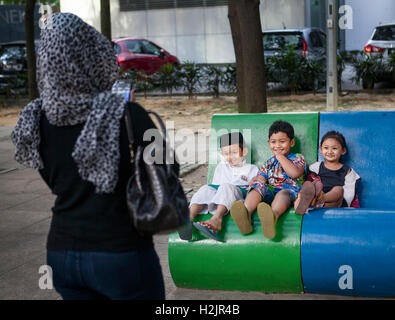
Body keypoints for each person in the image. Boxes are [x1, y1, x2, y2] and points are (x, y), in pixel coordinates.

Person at [11, 13, 164, 300]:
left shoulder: (34, 119)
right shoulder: (126, 114)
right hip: (121, 251)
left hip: (61, 254)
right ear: (92, 56)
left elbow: (56, 177)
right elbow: (165, 166)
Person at [230, 120, 306, 239]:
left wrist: (280, 156)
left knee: (283, 193)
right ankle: (246, 214)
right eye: (273, 142)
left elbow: (295, 173)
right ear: (269, 143)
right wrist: (256, 180)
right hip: (270, 191)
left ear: (291, 142)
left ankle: (272, 217)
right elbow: (261, 177)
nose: (277, 146)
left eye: (282, 142)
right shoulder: (269, 162)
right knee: (258, 187)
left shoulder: (298, 158)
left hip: (290, 191)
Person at [185, 132, 259, 242]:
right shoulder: (221, 167)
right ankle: (188, 219)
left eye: (234, 152)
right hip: (219, 196)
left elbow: (253, 190)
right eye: (226, 153)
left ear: (244, 151)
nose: (230, 157)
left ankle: (216, 219)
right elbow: (214, 188)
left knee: (226, 187)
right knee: (205, 189)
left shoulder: (252, 169)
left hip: (238, 199)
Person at [294, 131, 361, 215]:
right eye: (326, 148)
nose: (330, 151)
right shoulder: (316, 168)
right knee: (313, 185)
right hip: (319, 200)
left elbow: (350, 192)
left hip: (336, 202)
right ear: (321, 149)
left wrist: (349, 207)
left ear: (343, 151)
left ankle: (320, 198)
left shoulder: (346, 170)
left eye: (334, 148)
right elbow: (309, 185)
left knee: (338, 189)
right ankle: (301, 204)